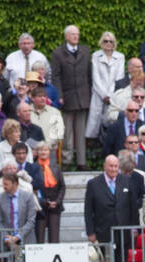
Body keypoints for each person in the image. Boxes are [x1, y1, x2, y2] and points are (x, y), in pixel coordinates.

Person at [51, 26, 91, 169]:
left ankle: (82, 162)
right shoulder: (58, 53)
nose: (76, 37)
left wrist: (89, 95)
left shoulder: (85, 51)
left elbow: (89, 73)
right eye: (73, 34)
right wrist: (59, 95)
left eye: (77, 34)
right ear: (66, 36)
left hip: (83, 96)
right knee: (67, 131)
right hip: (67, 96)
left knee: (81, 131)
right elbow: (55, 76)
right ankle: (67, 161)